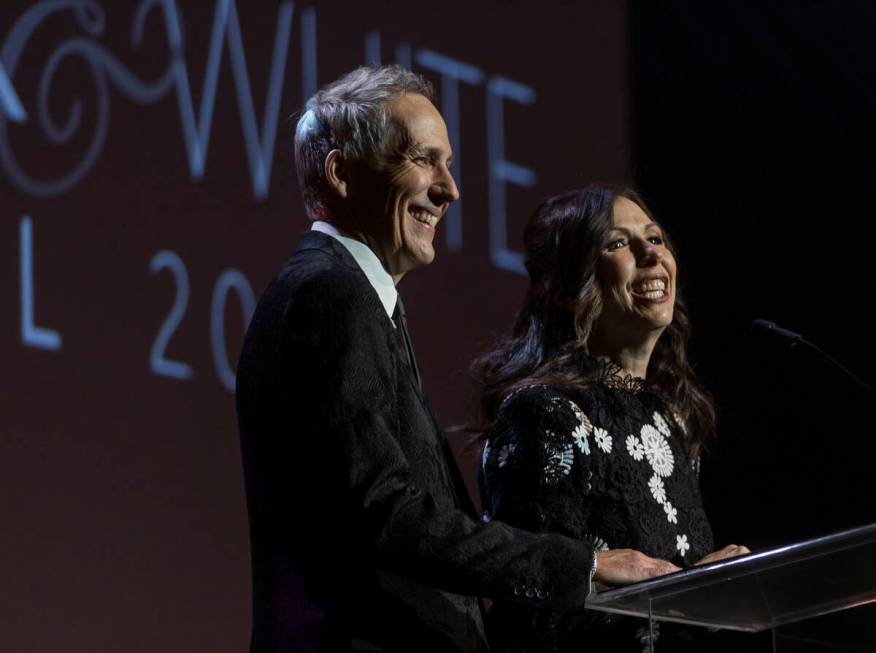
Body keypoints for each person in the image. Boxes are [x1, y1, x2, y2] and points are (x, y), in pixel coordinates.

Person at [236, 67, 678, 653]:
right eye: (423, 160)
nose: (450, 189)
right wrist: (584, 566)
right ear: (341, 173)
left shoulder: (352, 297)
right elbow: (382, 512)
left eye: (448, 164)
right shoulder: (329, 294)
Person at [473, 186, 749, 652]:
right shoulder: (546, 415)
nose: (650, 253)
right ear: (567, 290)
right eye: (617, 243)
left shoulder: (671, 420)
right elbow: (537, 623)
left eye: (655, 237)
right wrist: (693, 592)